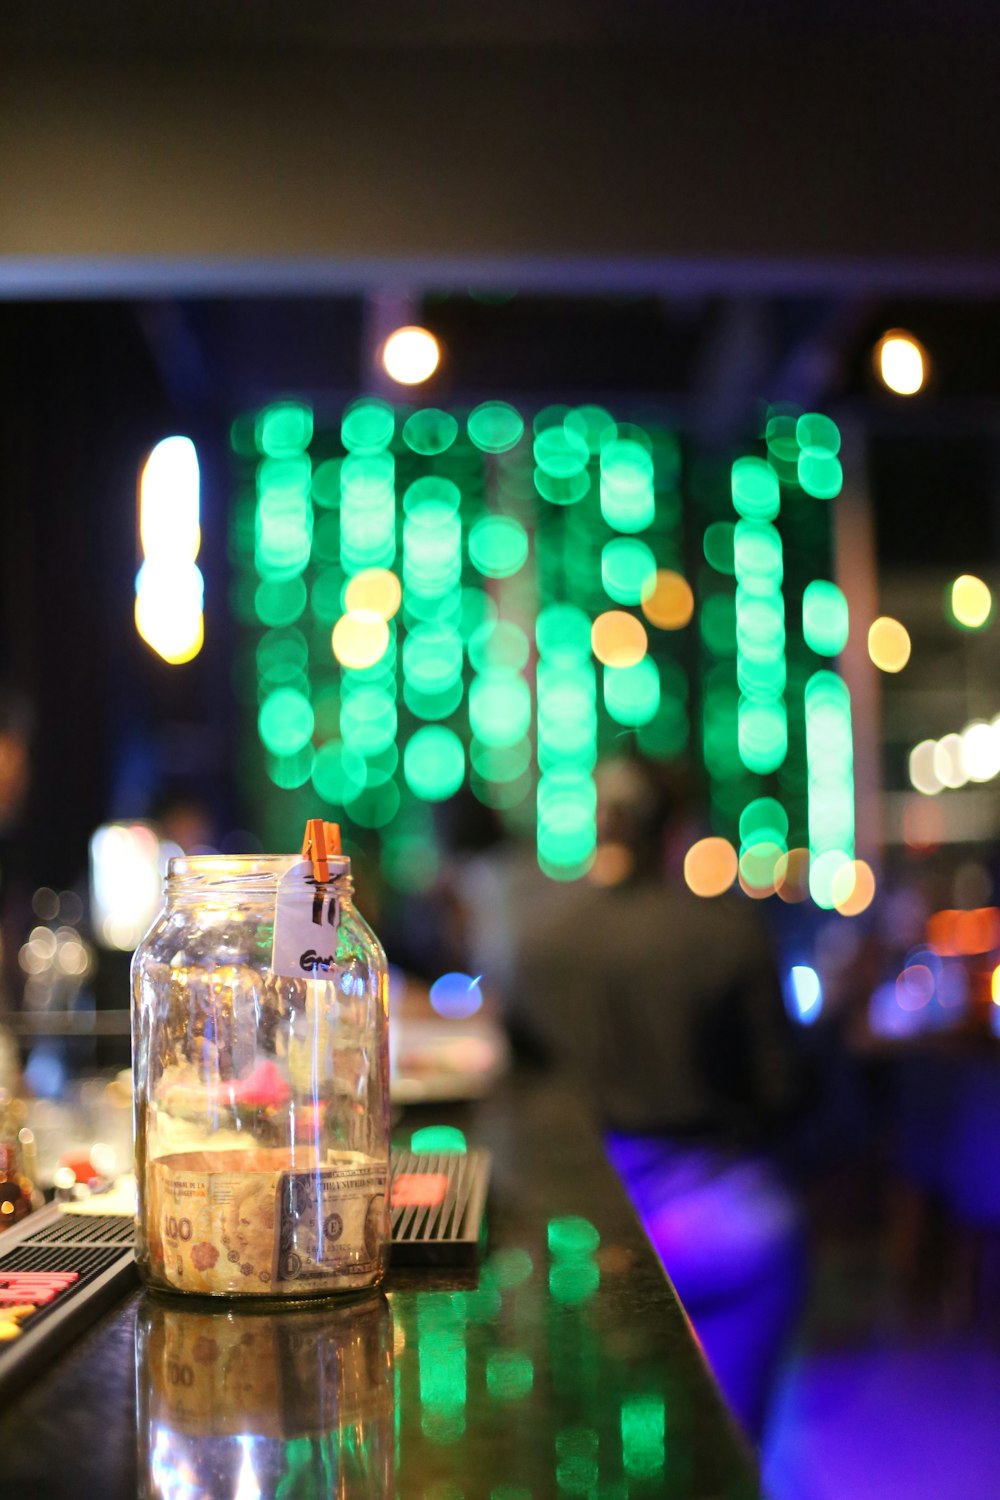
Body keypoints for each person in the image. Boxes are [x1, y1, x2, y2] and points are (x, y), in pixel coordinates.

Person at [501, 755, 808, 1442]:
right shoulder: (726, 931)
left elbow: (520, 1089)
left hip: (577, 1237)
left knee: (599, 1446)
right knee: (725, 1451)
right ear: (678, 829)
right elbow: (781, 1090)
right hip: (718, 1225)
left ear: (598, 823)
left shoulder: (537, 937)